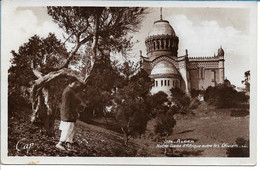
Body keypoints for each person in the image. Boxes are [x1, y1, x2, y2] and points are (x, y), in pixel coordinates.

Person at [56, 77, 85, 151]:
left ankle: (69, 145)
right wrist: (73, 113)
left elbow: (73, 102)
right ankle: (60, 143)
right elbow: (67, 105)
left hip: (69, 113)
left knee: (71, 129)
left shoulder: (70, 91)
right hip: (68, 114)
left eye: (77, 83)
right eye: (75, 83)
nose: (77, 85)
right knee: (67, 129)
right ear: (70, 83)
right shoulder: (68, 91)